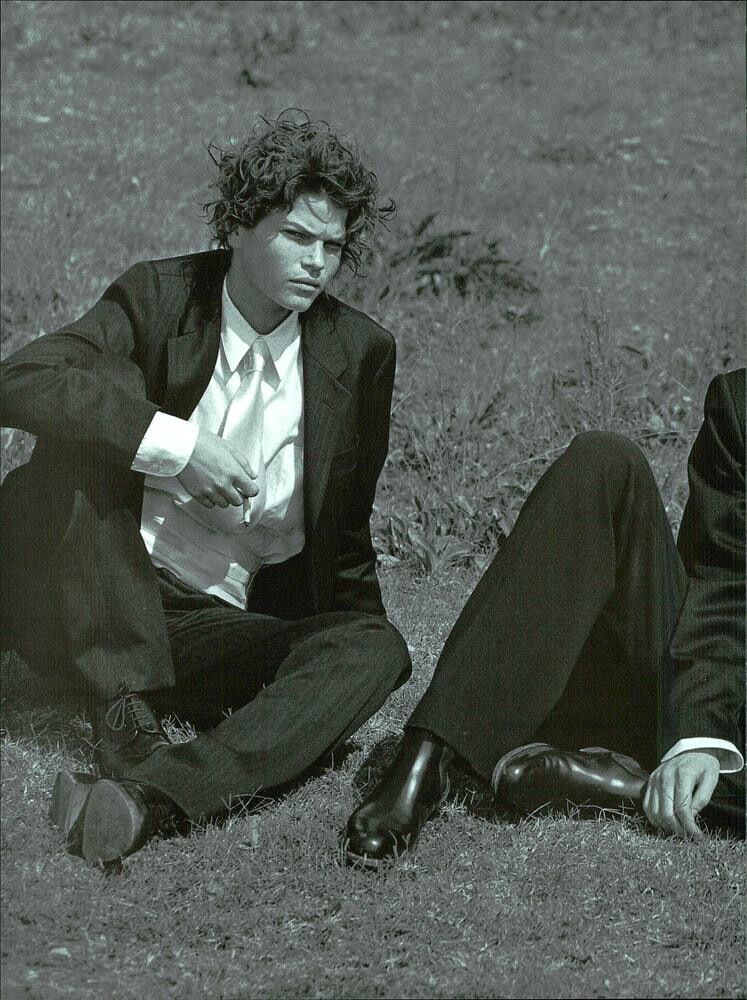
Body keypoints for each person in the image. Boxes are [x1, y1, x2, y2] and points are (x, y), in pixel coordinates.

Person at [1, 111, 412, 865]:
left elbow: (347, 534)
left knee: (375, 647)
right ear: (240, 225)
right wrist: (176, 446)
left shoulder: (359, 352)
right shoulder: (160, 297)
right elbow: (22, 378)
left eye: (332, 246)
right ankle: (124, 715)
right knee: (99, 393)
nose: (317, 263)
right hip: (91, 586)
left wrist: (348, 670)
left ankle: (152, 796)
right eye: (296, 236)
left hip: (206, 622)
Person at [345, 370, 745, 865]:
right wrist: (702, 736)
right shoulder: (739, 401)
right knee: (605, 459)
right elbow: (722, 583)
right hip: (710, 686)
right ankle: (428, 756)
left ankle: (631, 788)